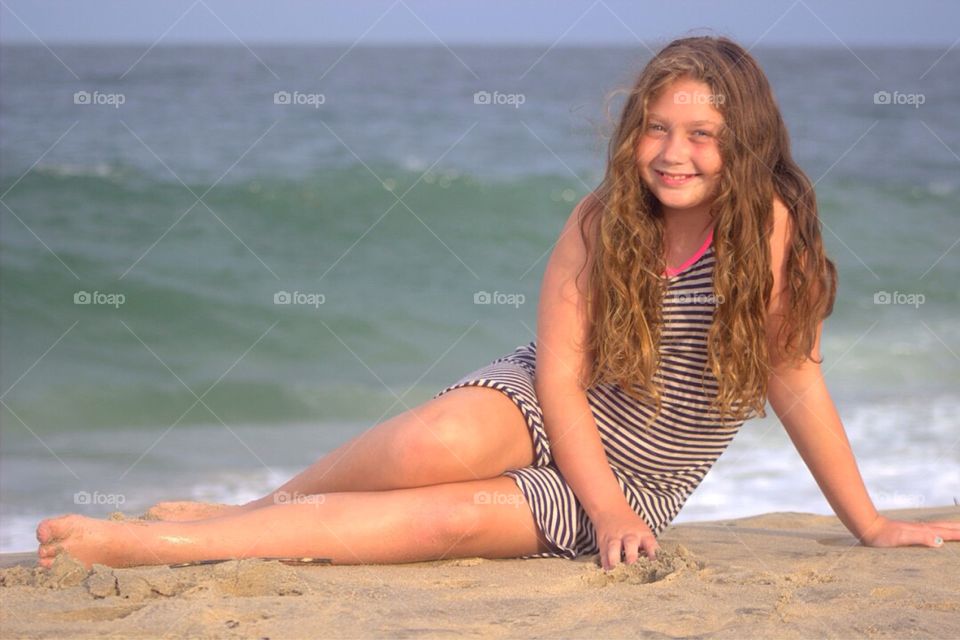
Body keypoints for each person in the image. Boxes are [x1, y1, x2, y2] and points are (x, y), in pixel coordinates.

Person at [36, 36, 958, 571]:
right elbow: (558, 373)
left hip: (641, 480)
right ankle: (247, 512)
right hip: (548, 403)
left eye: (704, 135)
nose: (673, 153)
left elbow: (794, 378)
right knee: (433, 444)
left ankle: (177, 547)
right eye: (656, 127)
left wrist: (871, 524)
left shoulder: (770, 235)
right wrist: (594, 504)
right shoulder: (604, 222)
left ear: (746, 144)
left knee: (450, 520)